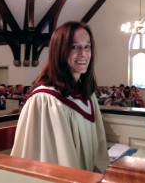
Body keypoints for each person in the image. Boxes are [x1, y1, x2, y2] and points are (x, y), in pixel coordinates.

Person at [11, 21, 109, 173]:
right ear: (59, 51)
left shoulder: (88, 96)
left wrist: (97, 171)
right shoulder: (46, 99)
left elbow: (99, 145)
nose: (83, 53)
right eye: (74, 46)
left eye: (87, 46)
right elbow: (51, 161)